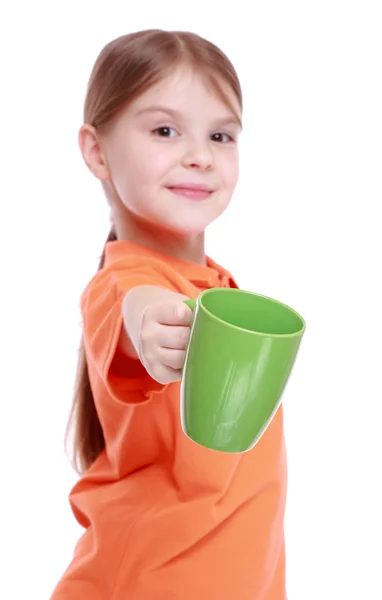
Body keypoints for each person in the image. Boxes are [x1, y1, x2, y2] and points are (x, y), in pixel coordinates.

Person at [51, 29, 287, 599]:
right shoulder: (123, 283)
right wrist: (153, 326)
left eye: (221, 135)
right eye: (164, 130)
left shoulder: (221, 287)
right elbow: (137, 310)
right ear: (97, 151)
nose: (200, 155)